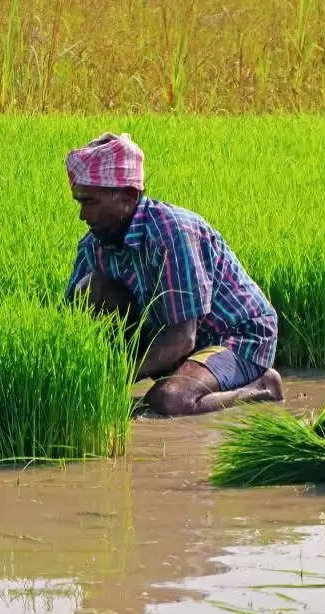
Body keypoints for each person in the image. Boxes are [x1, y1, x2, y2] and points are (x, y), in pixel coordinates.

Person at [64, 132, 284, 416]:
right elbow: (68, 321)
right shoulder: (94, 245)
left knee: (170, 400)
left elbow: (183, 338)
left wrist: (115, 380)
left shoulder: (172, 233)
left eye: (90, 202)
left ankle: (261, 388)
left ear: (128, 196)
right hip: (169, 335)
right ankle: (156, 393)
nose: (83, 215)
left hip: (233, 337)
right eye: (79, 202)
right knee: (89, 289)